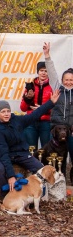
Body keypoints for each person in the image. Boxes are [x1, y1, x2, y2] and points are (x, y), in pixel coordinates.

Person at [0, 90, 60, 197]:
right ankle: (5, 196)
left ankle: (38, 196)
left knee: (40, 168)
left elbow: (34, 115)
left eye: (8, 111)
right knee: (0, 170)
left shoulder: (17, 120)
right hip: (7, 155)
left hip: (22, 153)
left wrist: (50, 103)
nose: (6, 114)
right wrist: (11, 176)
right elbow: (3, 154)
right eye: (3, 112)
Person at [43, 42, 73, 177]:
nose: (68, 82)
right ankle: (52, 182)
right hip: (56, 129)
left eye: (71, 80)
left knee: (69, 158)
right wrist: (47, 55)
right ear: (62, 80)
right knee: (53, 159)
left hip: (70, 131)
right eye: (66, 80)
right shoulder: (57, 88)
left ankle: (67, 181)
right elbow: (52, 72)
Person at [20, 62, 53, 150]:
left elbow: (56, 108)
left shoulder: (52, 86)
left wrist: (42, 109)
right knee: (31, 150)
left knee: (46, 150)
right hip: (31, 122)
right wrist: (28, 99)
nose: (43, 73)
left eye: (46, 71)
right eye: (41, 70)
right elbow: (23, 108)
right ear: (38, 72)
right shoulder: (30, 86)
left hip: (46, 122)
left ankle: (45, 164)